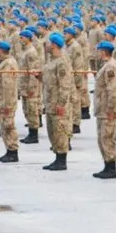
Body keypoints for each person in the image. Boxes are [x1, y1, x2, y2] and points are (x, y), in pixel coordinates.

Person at [42, 33, 74, 172]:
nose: (46, 45)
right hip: (50, 102)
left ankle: (62, 160)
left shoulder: (61, 62)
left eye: (49, 43)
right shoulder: (52, 60)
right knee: (52, 131)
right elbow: (50, 80)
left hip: (57, 103)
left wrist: (61, 103)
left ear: (54, 45)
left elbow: (64, 84)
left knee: (60, 131)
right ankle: (57, 157)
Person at [92, 41, 116, 179]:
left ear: (103, 52)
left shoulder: (110, 67)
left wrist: (111, 109)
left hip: (107, 110)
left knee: (108, 138)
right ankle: (107, 165)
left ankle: (111, 168)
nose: (98, 53)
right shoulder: (106, 65)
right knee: (103, 138)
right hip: (102, 108)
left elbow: (113, 90)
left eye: (99, 51)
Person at [0, 40, 21, 163]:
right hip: (3, 101)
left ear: (0, 50)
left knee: (8, 126)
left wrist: (6, 104)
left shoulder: (8, 64)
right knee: (4, 126)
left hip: (6, 102)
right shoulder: (5, 62)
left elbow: (8, 87)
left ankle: (13, 152)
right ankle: (9, 150)